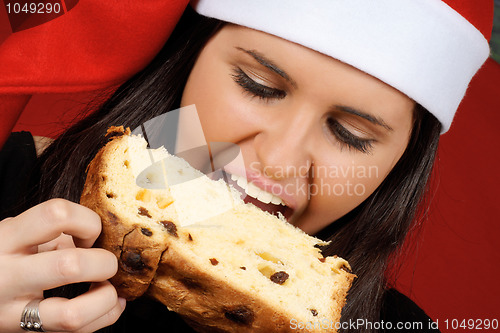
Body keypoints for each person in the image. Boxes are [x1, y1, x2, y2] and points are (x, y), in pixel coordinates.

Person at [0, 0, 493, 332]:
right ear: (188, 59)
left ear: (400, 166)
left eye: (351, 135)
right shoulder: (12, 183)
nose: (277, 161)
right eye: (258, 86)